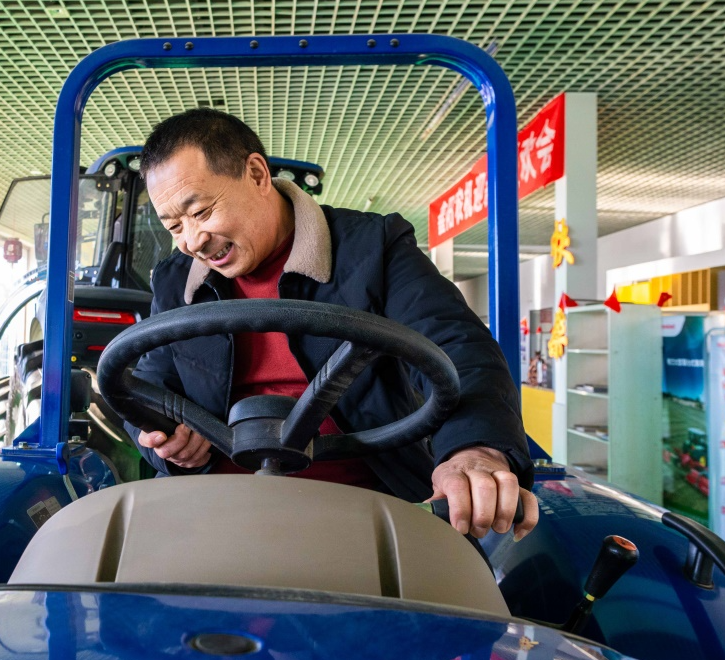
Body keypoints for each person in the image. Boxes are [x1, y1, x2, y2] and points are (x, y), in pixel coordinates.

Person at [129, 108, 538, 540]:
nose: (192, 241)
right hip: (215, 511)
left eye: (201, 212)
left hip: (369, 510)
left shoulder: (375, 248)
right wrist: (163, 442)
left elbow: (456, 346)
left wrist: (474, 449)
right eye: (174, 226)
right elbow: (147, 387)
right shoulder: (174, 281)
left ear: (257, 174)